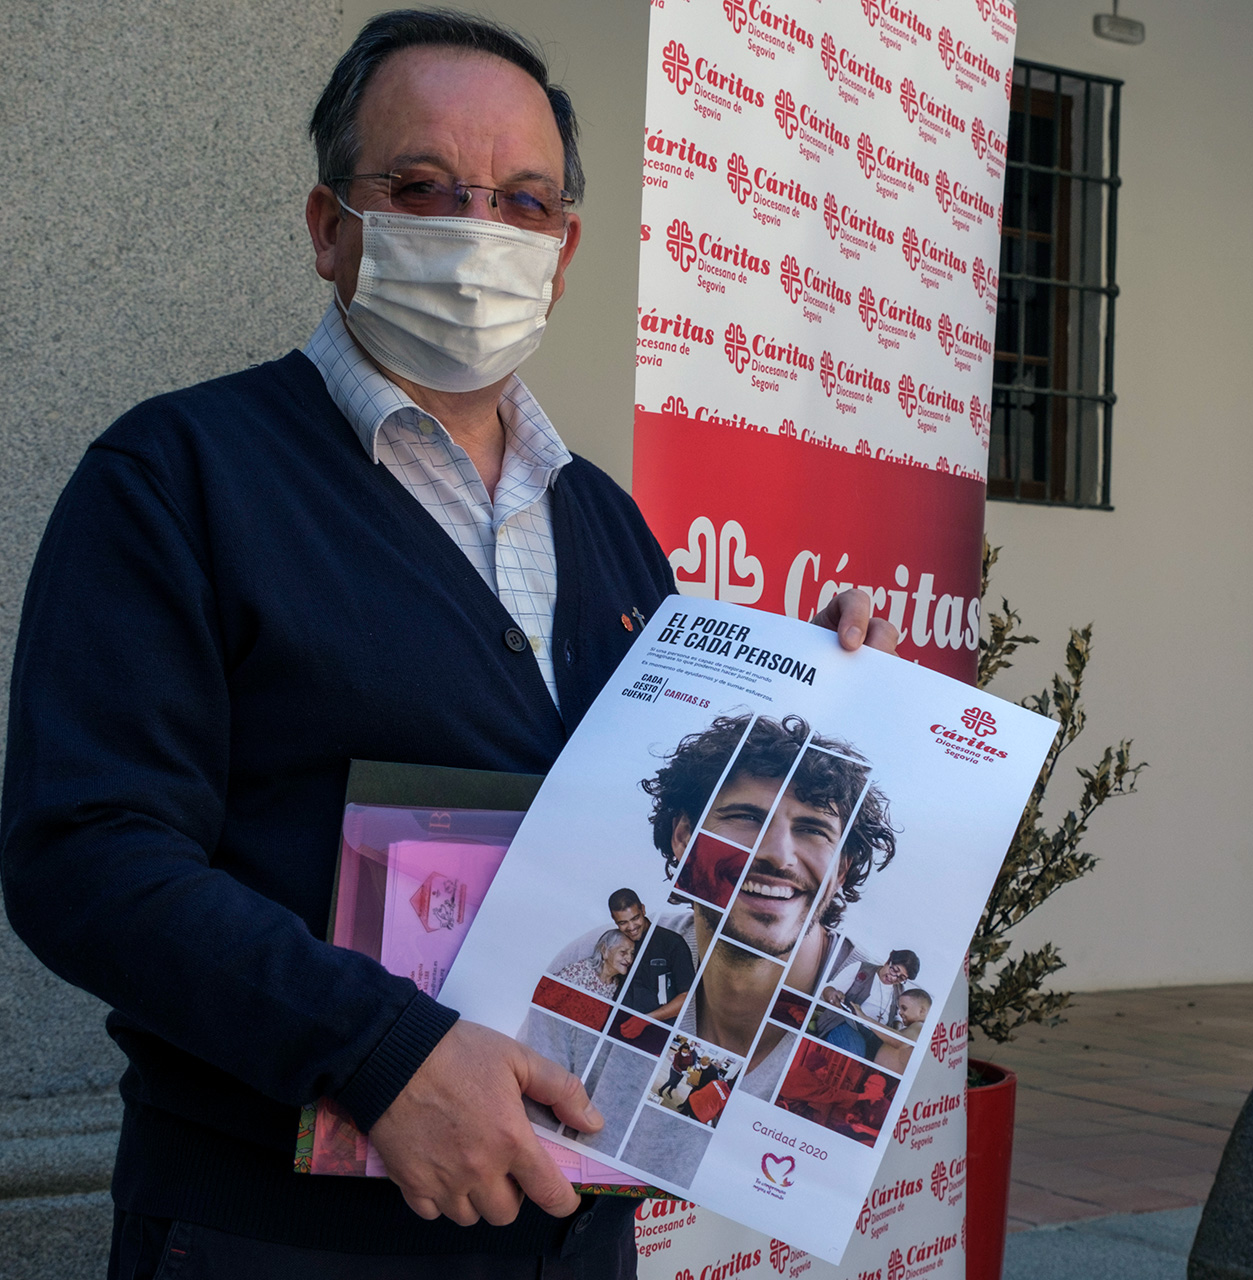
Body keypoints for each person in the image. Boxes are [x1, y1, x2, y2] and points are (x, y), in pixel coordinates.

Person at [0, 12, 896, 1279]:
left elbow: (651, 827)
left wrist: (810, 690)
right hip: (275, 1235)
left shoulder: (608, 527)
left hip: (568, 1231)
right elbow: (81, 855)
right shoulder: (176, 479)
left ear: (565, 248)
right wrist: (379, 1053)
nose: (479, 229)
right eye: (422, 187)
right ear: (329, 227)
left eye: (524, 201)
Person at [643, 714, 898, 1094]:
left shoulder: (895, 1041)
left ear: (841, 869)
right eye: (747, 817)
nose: (780, 856)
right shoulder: (610, 962)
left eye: (812, 830)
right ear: (684, 837)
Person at [607, 886, 693, 1021]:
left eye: (635, 918)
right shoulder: (613, 944)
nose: (631, 928)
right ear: (613, 918)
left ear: (643, 909)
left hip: (659, 1030)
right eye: (623, 922)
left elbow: (687, 996)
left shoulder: (672, 943)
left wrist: (645, 1021)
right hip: (618, 1026)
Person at [816, 947, 920, 1057]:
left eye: (901, 978)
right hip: (847, 1024)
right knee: (853, 1053)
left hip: (878, 1037)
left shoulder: (899, 991)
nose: (894, 978)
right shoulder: (860, 968)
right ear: (888, 961)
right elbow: (829, 988)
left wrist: (896, 1031)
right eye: (894, 970)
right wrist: (832, 994)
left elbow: (897, 1017)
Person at [551, 929, 632, 1001]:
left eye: (632, 953)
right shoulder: (579, 971)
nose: (629, 959)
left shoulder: (615, 986)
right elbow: (546, 1000)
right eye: (623, 952)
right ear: (604, 950)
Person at [873, 988, 931, 1074]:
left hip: (884, 1078)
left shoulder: (919, 1026)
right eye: (899, 1008)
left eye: (904, 1008)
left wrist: (864, 1018)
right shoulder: (914, 1028)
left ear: (922, 1011)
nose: (900, 1012)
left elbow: (900, 1042)